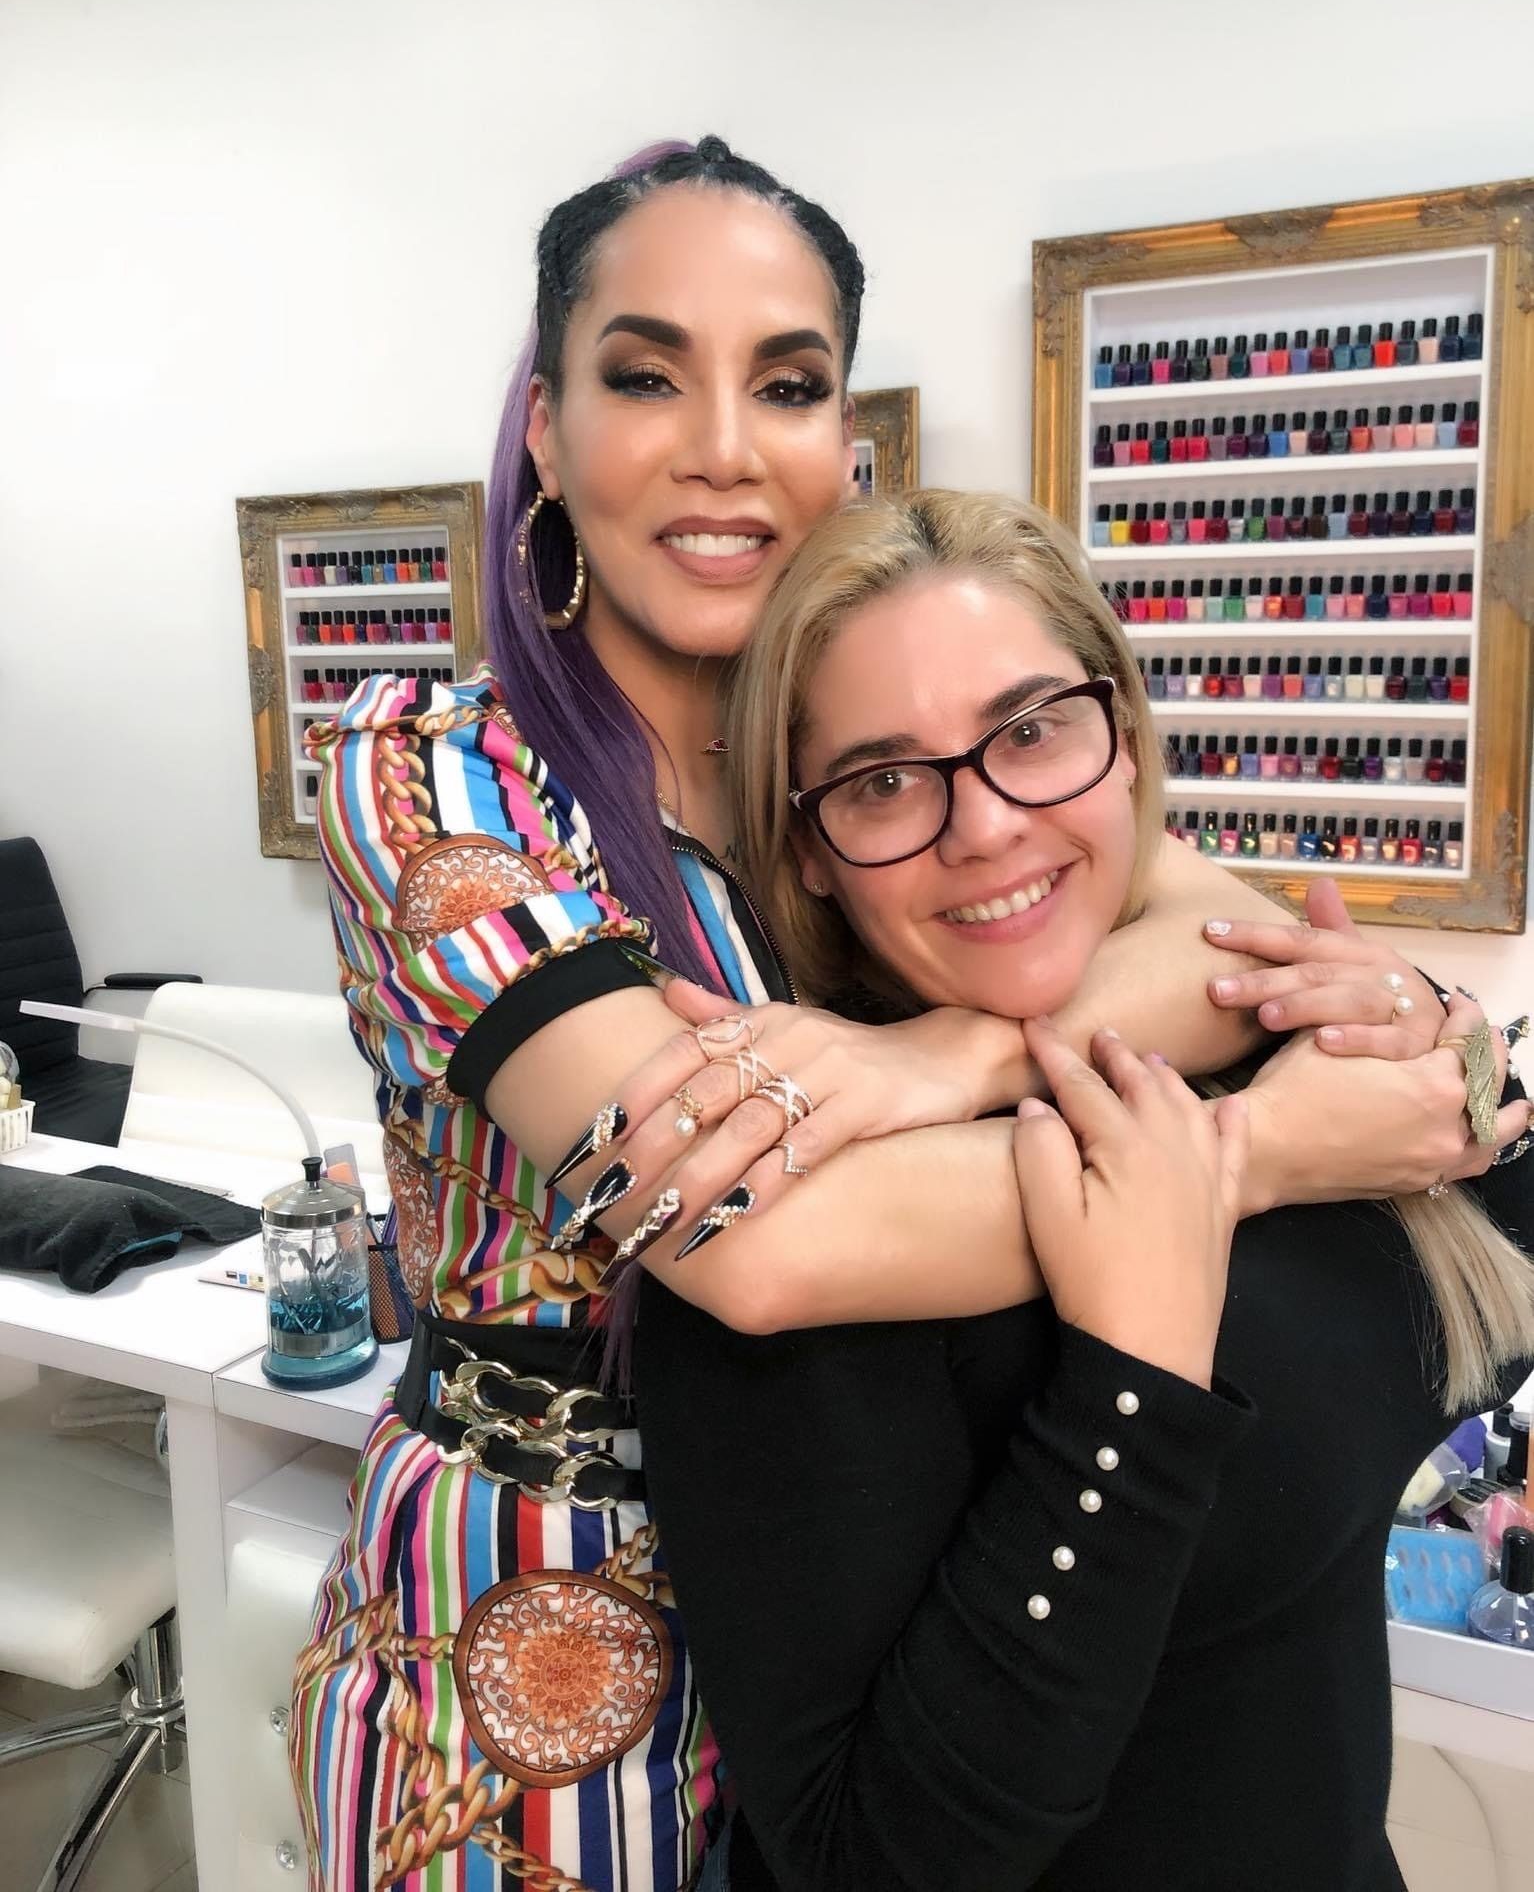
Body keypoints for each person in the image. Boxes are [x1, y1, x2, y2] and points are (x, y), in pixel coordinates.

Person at [289, 140, 1502, 1892]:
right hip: (536, 1648)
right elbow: (759, 1240)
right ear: (542, 429)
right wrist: (1247, 1153)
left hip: (867, 1595)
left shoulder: (847, 747)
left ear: (843, 439)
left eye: (785, 384)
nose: (723, 446)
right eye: (646, 376)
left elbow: (1195, 919)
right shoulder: (438, 772)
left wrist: (956, 1048)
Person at [629, 490, 1534, 1892]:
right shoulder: (814, 1223)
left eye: (1034, 730)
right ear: (806, 844)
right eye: (883, 781)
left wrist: (1444, 1041)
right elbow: (877, 1862)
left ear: (1121, 734)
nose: (984, 825)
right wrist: (1132, 1381)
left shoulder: (1256, 1056)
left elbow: (1497, 1242)